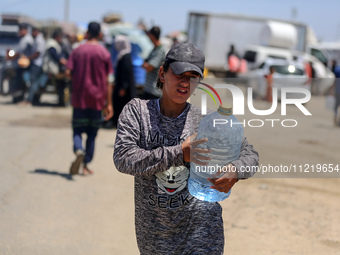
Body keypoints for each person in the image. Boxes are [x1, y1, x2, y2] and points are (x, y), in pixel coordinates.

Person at [113, 42, 259, 254]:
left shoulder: (208, 120)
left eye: (193, 77)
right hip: (155, 237)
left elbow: (250, 154)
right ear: (162, 74)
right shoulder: (138, 112)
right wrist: (180, 153)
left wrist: (236, 170)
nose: (185, 83)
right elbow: (123, 158)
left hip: (203, 231)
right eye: (179, 74)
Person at [66, 22, 114, 175]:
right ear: (100, 34)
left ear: (87, 33)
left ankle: (78, 149)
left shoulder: (77, 50)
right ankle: (86, 165)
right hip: (97, 100)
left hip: (79, 99)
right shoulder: (104, 53)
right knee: (92, 135)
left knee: (77, 130)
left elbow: (68, 72)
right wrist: (109, 104)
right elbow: (109, 80)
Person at [112, 35, 136, 127]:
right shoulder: (122, 55)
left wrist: (123, 87)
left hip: (124, 88)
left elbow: (125, 73)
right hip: (122, 85)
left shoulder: (125, 56)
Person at [20, 26, 46, 105]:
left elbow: (37, 53)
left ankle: (29, 100)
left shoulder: (39, 40)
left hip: (37, 64)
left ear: (36, 32)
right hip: (34, 63)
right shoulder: (36, 40)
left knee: (33, 82)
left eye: (32, 32)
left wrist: (27, 58)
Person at [43, 30, 68, 106]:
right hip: (51, 67)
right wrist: (62, 60)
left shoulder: (55, 43)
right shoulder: (51, 44)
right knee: (61, 82)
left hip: (53, 66)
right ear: (57, 37)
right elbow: (54, 55)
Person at [142, 26, 165, 99]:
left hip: (154, 91)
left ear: (152, 35)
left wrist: (145, 65)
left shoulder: (160, 51)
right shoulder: (154, 49)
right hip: (148, 89)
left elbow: (149, 67)